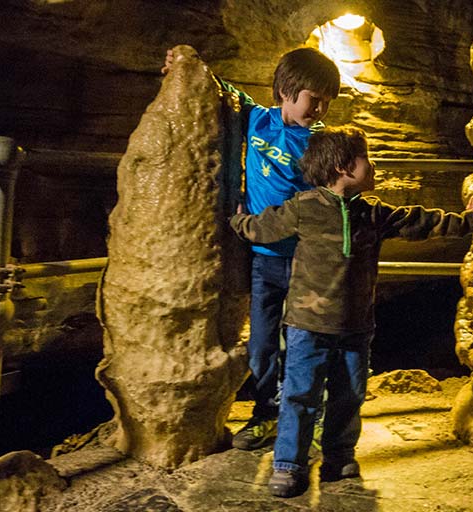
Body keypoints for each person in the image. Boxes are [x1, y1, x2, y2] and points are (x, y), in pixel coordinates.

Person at [229, 126, 473, 498]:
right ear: (343, 166)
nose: (373, 164)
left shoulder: (372, 213)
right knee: (300, 395)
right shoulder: (304, 208)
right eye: (366, 157)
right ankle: (288, 464)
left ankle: (339, 453)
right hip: (306, 326)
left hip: (355, 327)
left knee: (350, 393)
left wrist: (467, 221)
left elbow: (418, 222)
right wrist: (238, 221)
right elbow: (265, 228)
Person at [164, 47, 341, 450]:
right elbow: (224, 92)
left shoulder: (320, 145)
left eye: (327, 101)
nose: (321, 108)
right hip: (265, 261)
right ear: (285, 91)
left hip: (306, 262)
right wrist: (185, 65)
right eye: (315, 98)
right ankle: (265, 413)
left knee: (307, 341)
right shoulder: (258, 120)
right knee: (261, 345)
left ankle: (313, 416)